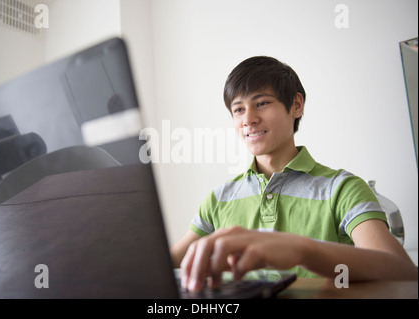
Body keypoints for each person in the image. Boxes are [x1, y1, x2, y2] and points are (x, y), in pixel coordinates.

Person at [170, 56, 418, 292]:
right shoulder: (219, 198)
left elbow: (404, 273)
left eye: (262, 103)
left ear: (296, 105)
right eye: (238, 109)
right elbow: (169, 263)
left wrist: (303, 250)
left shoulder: (343, 188)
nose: (249, 119)